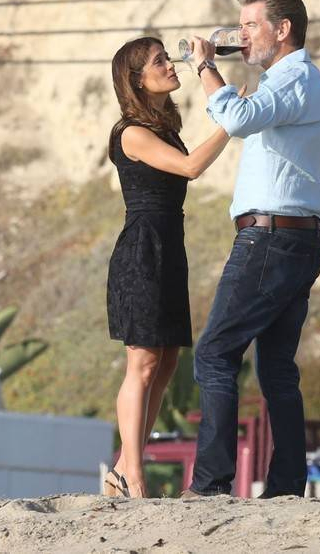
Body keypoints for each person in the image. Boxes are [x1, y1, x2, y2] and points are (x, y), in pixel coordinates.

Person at [182, 0, 320, 498]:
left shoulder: (295, 78)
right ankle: (287, 485)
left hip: (271, 239)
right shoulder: (290, 82)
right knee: (275, 368)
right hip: (292, 238)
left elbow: (236, 118)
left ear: (283, 29)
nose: (242, 35)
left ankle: (210, 484)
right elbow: (242, 116)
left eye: (251, 25)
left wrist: (206, 66)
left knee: (215, 353)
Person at [103, 36, 241, 498]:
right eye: (158, 61)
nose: (170, 65)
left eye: (167, 57)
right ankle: (133, 475)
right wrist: (230, 122)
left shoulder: (162, 128)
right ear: (137, 80)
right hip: (141, 252)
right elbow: (189, 167)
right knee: (142, 363)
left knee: (165, 364)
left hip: (168, 250)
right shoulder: (130, 132)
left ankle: (120, 470)